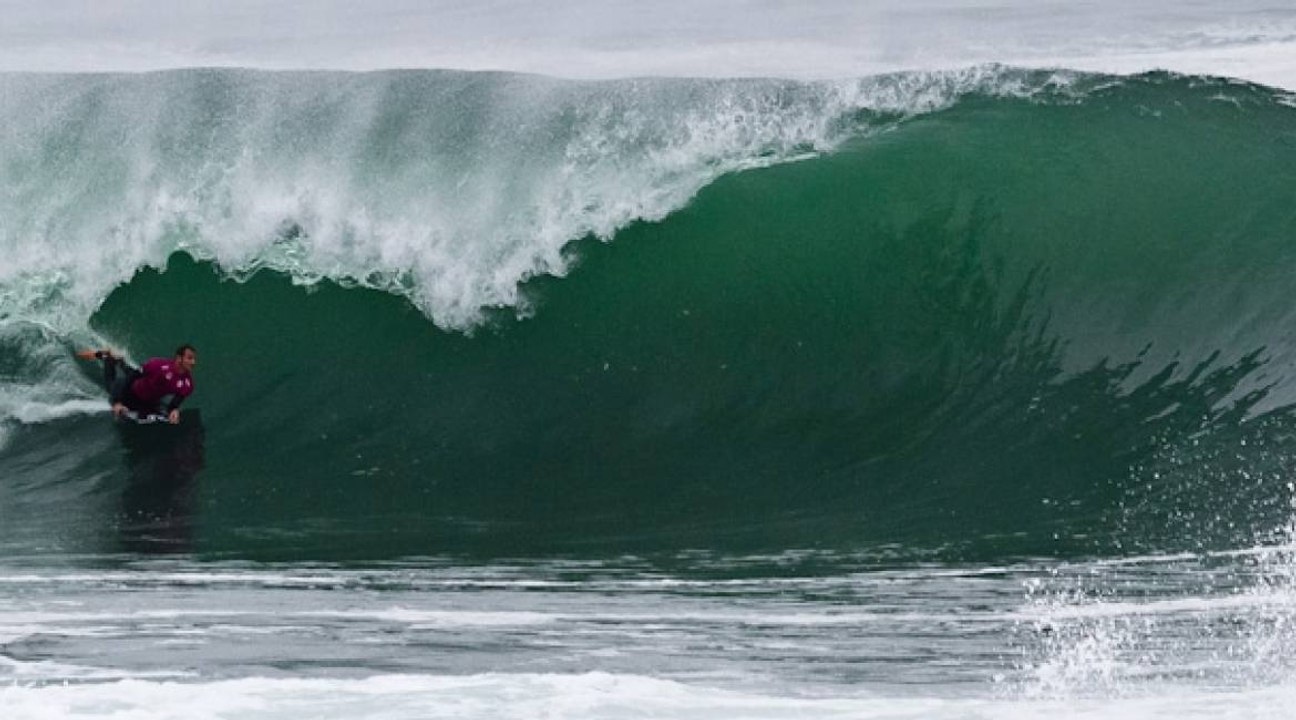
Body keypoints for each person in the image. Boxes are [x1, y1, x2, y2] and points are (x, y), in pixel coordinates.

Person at [77, 345, 197, 424]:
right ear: (179, 358)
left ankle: (120, 359)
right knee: (111, 384)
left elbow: (175, 402)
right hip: (130, 390)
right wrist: (117, 402)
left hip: (147, 398)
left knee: (134, 372)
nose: (193, 362)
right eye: (190, 358)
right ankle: (107, 357)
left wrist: (173, 410)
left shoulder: (187, 383)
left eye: (194, 359)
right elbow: (132, 377)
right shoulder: (158, 365)